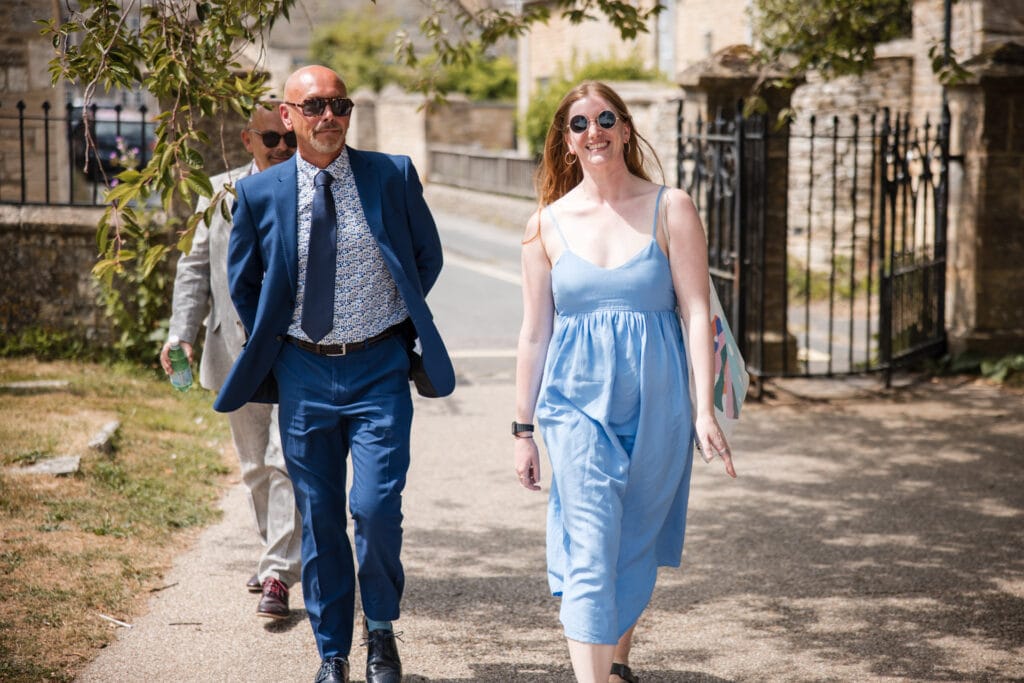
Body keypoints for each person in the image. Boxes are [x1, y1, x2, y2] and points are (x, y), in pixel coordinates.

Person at [212, 65, 455, 683]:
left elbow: (426, 257)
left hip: (379, 368)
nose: (329, 117)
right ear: (288, 117)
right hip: (302, 373)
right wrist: (278, 335)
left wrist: (390, 315)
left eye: (339, 105)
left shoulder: (390, 174)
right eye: (314, 106)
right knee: (319, 517)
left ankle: (380, 633)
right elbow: (244, 283)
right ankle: (332, 653)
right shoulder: (260, 195)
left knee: (374, 508)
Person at [512, 81, 738, 683]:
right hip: (574, 406)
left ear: (626, 128)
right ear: (566, 142)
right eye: (580, 124)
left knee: (633, 541)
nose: (595, 132)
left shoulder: (672, 207)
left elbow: (695, 311)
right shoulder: (544, 226)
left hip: (660, 401)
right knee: (589, 543)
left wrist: (703, 411)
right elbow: (534, 334)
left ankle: (615, 664)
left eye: (606, 118)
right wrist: (522, 429)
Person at [160, 101, 302, 620]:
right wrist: (182, 333)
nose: (284, 148)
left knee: (288, 461)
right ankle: (276, 554)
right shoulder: (218, 193)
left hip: (295, 351)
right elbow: (194, 269)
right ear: (248, 141)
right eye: (272, 140)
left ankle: (277, 573)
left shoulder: (308, 188)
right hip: (234, 348)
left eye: (289, 140)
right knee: (253, 467)